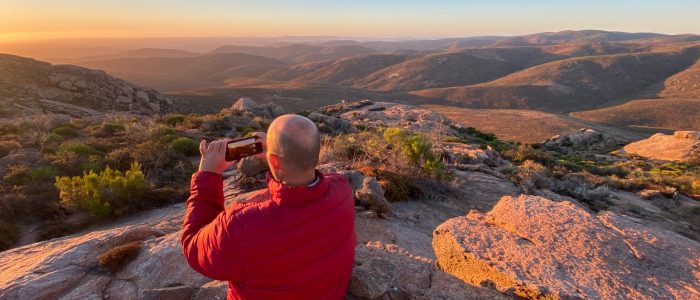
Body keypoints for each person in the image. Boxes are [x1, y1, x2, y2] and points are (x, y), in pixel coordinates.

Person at [181, 114, 356, 300]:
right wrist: (283, 151)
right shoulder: (342, 189)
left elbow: (193, 248)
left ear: (272, 160)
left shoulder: (240, 225)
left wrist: (207, 175)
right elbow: (310, 169)